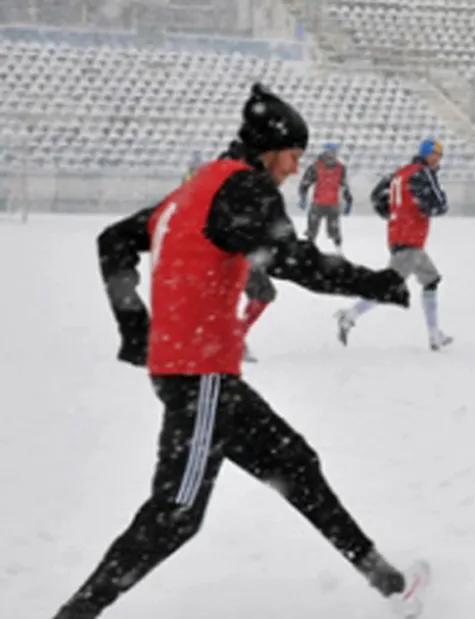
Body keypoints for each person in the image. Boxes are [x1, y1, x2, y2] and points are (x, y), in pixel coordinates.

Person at [53, 84, 429, 619]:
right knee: (176, 513)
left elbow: (113, 240)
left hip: (198, 373)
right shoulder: (245, 187)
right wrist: (378, 283)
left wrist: (136, 328)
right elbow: (293, 260)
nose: (296, 166)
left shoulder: (199, 186)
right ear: (270, 148)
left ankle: (390, 584)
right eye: (295, 154)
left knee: (296, 465)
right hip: (199, 375)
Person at [336, 139, 452, 350]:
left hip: (402, 236)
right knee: (388, 287)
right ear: (425, 155)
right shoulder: (422, 173)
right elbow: (439, 204)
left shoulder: (400, 172)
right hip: (410, 239)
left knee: (431, 279)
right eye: (435, 155)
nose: (437, 160)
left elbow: (376, 196)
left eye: (440, 156)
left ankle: (435, 334)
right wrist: (431, 207)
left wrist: (393, 215)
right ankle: (350, 315)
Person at [299, 142, 353, 254]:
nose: (331, 155)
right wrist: (303, 197)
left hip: (333, 204)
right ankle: (309, 251)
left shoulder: (340, 168)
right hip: (317, 204)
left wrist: (348, 201)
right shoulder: (315, 166)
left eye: (334, 152)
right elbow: (305, 183)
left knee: (334, 230)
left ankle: (339, 252)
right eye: (329, 152)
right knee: (312, 230)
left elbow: (345, 186)